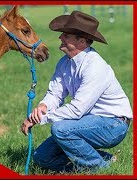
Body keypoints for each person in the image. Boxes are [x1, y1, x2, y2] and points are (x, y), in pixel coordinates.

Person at [21, 10, 133, 172]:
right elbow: (55, 93)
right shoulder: (64, 63)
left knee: (60, 129)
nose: (60, 37)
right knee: (41, 157)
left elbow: (77, 109)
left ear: (81, 41)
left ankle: (100, 167)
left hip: (113, 124)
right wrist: (43, 106)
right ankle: (99, 158)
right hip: (88, 121)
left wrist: (41, 119)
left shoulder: (95, 66)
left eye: (66, 35)